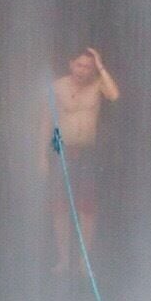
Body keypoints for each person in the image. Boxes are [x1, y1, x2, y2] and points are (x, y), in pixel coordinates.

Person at [43, 46, 120, 272]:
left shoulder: (97, 85)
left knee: (87, 208)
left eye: (88, 66)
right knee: (60, 207)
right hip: (62, 151)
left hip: (87, 152)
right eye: (79, 65)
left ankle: (84, 260)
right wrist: (42, 155)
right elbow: (47, 121)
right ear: (71, 64)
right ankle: (64, 259)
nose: (82, 70)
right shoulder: (57, 87)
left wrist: (101, 66)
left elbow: (114, 95)